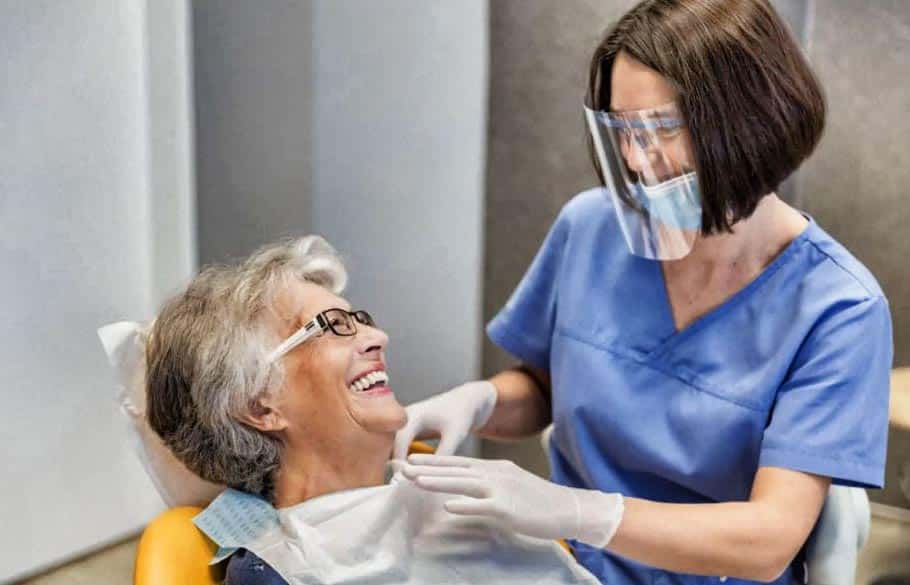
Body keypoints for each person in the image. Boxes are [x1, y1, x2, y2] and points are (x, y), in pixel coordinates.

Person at [396, 1, 892, 584]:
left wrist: (582, 512)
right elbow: (545, 388)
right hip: (560, 564)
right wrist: (479, 401)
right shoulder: (590, 227)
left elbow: (768, 540)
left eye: (661, 129)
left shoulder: (839, 309)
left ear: (752, 122)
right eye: (621, 130)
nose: (635, 160)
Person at [143, 236, 597, 584]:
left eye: (359, 318)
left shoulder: (453, 498)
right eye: (334, 326)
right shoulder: (286, 570)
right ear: (260, 405)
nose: (377, 337)